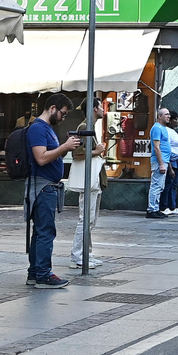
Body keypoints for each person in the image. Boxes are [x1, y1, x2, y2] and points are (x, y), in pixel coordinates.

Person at [24, 93, 80, 288]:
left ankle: (35, 273)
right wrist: (64, 146)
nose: (63, 118)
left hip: (46, 186)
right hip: (43, 187)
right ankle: (43, 274)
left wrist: (65, 148)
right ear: (53, 108)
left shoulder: (46, 129)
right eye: (63, 114)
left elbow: (49, 155)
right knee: (45, 232)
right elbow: (41, 158)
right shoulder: (38, 129)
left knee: (40, 232)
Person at [67, 98, 107, 268]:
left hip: (93, 179)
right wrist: (97, 151)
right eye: (101, 106)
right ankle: (78, 255)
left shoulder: (89, 126)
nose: (103, 110)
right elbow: (78, 154)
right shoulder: (84, 127)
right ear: (94, 108)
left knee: (90, 219)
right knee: (86, 218)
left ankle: (86, 254)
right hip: (89, 179)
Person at [147, 107, 172, 219]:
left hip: (164, 161)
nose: (168, 116)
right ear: (159, 116)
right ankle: (152, 209)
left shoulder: (162, 128)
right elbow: (156, 147)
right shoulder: (157, 128)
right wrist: (161, 163)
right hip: (159, 162)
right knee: (156, 186)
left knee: (159, 186)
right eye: (166, 114)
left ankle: (155, 208)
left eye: (169, 114)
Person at [161, 110, 178, 216]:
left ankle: (172, 206)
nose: (177, 122)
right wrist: (169, 166)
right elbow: (166, 149)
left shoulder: (173, 131)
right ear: (170, 120)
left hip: (177, 160)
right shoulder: (166, 131)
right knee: (168, 184)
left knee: (173, 184)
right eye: (175, 120)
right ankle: (164, 206)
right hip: (171, 161)